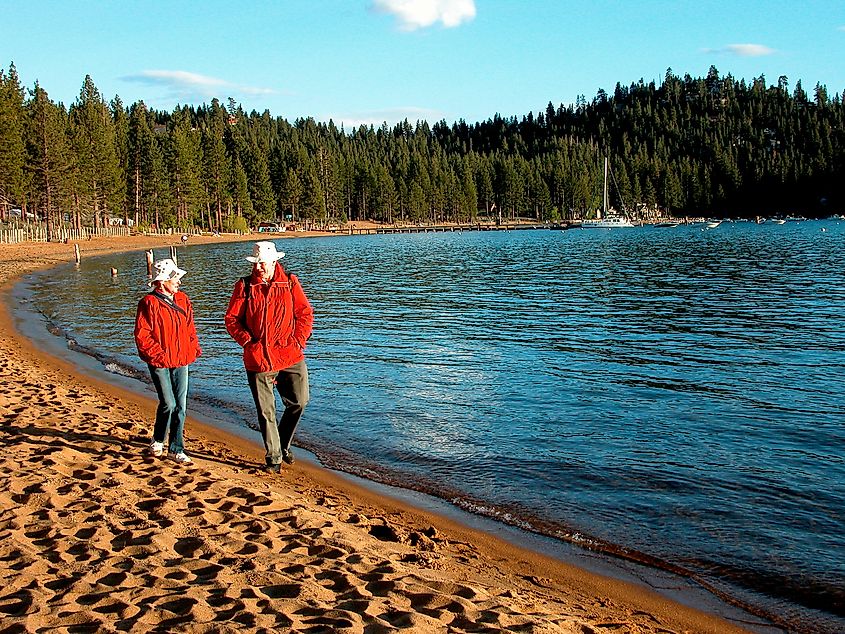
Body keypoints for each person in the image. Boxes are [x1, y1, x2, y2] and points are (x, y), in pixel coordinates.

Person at [225, 241, 314, 474]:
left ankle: (283, 443)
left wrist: (298, 341)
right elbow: (232, 320)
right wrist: (248, 341)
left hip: (289, 353)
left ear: (275, 262)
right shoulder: (244, 286)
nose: (259, 268)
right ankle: (273, 458)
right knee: (266, 411)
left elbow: (304, 313)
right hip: (258, 358)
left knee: (300, 401)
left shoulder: (290, 282)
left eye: (263, 263)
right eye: (256, 263)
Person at [134, 258, 202, 465]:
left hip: (182, 359)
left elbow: (190, 328)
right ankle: (158, 439)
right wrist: (159, 357)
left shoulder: (183, 299)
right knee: (168, 403)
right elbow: (142, 335)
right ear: (162, 281)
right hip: (160, 361)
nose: (178, 282)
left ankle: (175, 448)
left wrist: (193, 349)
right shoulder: (148, 303)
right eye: (175, 278)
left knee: (180, 405)